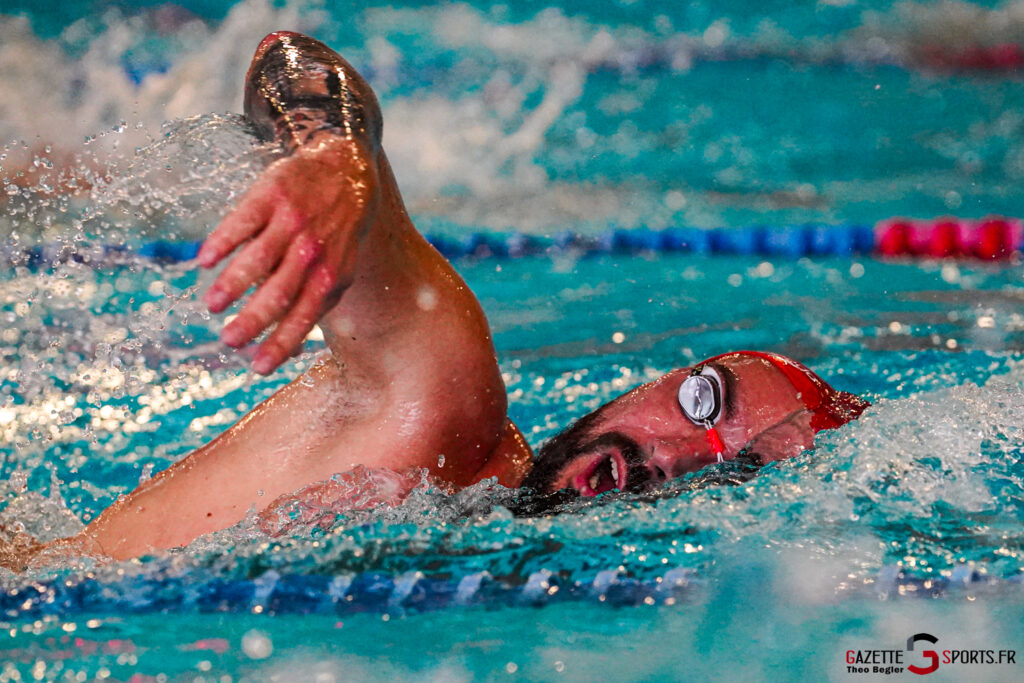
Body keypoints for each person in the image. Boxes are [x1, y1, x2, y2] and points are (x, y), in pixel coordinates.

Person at [0, 32, 867, 571]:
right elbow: (292, 61)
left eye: (739, 468)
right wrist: (337, 161)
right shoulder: (447, 411)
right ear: (642, 385)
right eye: (702, 400)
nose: (677, 456)